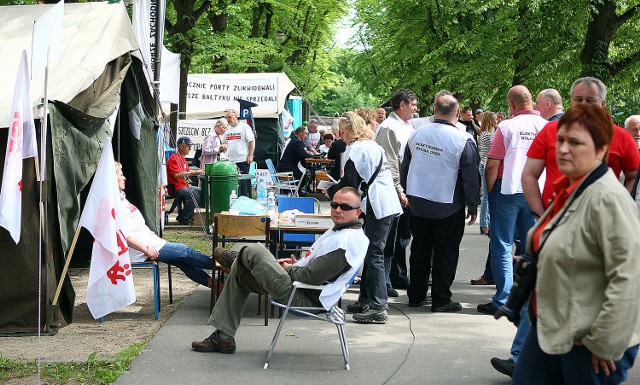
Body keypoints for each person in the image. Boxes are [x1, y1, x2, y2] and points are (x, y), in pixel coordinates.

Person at [494, 79, 640, 378]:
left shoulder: (608, 200)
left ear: (600, 151)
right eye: (561, 141)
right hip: (551, 326)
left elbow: (629, 281)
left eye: (575, 143)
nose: (563, 149)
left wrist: (604, 342)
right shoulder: (568, 190)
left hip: (589, 339)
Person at [191, 187, 369, 354]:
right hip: (301, 287)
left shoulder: (346, 242)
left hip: (305, 296)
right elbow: (316, 269)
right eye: (334, 204)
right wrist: (298, 264)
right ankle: (223, 337)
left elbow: (310, 277)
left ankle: (238, 259)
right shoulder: (344, 232)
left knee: (255, 250)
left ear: (357, 211)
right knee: (240, 275)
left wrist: (289, 268)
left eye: (345, 207)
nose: (337, 210)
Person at [400, 93, 480, 312]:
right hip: (448, 204)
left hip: (419, 203)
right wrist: (473, 205)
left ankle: (416, 295)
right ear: (457, 112)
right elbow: (470, 176)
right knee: (446, 251)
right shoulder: (463, 139)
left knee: (419, 249)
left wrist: (407, 192)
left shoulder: (417, 134)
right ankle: (441, 299)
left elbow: (405, 166)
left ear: (435, 110)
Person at [327, 112, 402, 323]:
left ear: (349, 130)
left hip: (379, 204)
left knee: (373, 253)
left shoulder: (356, 149)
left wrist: (332, 191)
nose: (339, 135)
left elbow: (350, 181)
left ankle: (378, 306)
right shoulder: (372, 145)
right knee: (371, 251)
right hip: (386, 202)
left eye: (341, 131)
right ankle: (366, 299)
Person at [480, 85, 547, 315]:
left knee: (502, 244)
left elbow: (492, 163)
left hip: (507, 190)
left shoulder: (506, 127)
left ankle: (504, 299)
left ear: (511, 105)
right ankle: (527, 298)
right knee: (530, 247)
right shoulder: (547, 127)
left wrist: (489, 192)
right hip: (536, 192)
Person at [116, 162, 212, 287]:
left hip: (148, 242)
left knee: (182, 261)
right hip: (139, 249)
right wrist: (146, 250)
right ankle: (222, 265)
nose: (124, 178)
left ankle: (217, 286)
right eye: (121, 175)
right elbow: (124, 236)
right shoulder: (114, 205)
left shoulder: (122, 198)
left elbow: (135, 225)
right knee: (184, 251)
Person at [378, 88, 418, 291]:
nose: (415, 108)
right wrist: (398, 188)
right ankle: (386, 281)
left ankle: (399, 276)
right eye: (413, 104)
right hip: (394, 189)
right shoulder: (388, 127)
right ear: (402, 105)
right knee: (390, 238)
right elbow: (390, 162)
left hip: (407, 188)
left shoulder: (408, 126)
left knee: (403, 236)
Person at [470, 111, 497, 286]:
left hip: (485, 163)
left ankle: (485, 222)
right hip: (487, 164)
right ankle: (484, 223)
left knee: (487, 195)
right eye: (495, 118)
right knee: (487, 196)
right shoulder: (487, 135)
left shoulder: (487, 133)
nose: (497, 120)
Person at [166, 136, 204, 225]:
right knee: (195, 195)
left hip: (184, 185)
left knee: (202, 192)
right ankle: (183, 218)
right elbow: (176, 175)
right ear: (181, 146)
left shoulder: (182, 158)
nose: (190, 148)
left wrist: (199, 171)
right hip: (176, 187)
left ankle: (188, 216)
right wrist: (194, 173)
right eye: (188, 146)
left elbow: (187, 171)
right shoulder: (174, 158)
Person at [224, 109, 255, 197]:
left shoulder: (244, 127)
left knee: (243, 184)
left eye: (229, 117)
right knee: (233, 185)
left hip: (242, 160)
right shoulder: (227, 129)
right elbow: (224, 142)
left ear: (236, 116)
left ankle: (244, 201)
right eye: (226, 117)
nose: (228, 119)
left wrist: (250, 155)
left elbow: (252, 141)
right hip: (230, 162)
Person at [277, 126, 314, 195]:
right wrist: (314, 157)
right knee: (304, 177)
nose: (306, 136)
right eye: (305, 134)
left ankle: (295, 190)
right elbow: (303, 155)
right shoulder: (297, 142)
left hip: (286, 166)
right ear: (301, 134)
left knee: (304, 174)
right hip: (287, 168)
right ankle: (294, 191)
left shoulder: (294, 140)